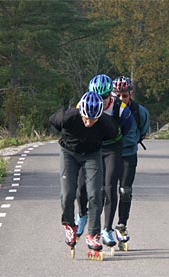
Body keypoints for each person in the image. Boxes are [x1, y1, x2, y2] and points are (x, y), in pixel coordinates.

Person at [49, 91, 117, 260]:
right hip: (68, 153)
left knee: (95, 193)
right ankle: (69, 225)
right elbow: (52, 122)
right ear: (80, 113)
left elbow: (113, 138)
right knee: (68, 193)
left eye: (92, 119)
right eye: (85, 118)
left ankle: (93, 234)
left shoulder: (106, 125)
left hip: (92, 155)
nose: (88, 123)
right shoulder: (67, 117)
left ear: (100, 115)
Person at [75, 74, 134, 249]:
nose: (100, 100)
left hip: (112, 148)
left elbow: (127, 127)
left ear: (111, 95)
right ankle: (82, 214)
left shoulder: (120, 108)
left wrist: (112, 137)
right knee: (81, 186)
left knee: (109, 188)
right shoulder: (83, 104)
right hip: (91, 147)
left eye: (104, 97)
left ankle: (107, 228)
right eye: (96, 96)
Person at [112, 76, 150, 251]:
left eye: (124, 96)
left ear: (131, 94)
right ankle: (103, 228)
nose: (121, 99)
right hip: (109, 154)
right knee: (106, 191)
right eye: (117, 95)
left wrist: (131, 142)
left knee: (125, 191)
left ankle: (121, 225)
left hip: (128, 154)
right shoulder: (108, 110)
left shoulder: (139, 111)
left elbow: (142, 131)